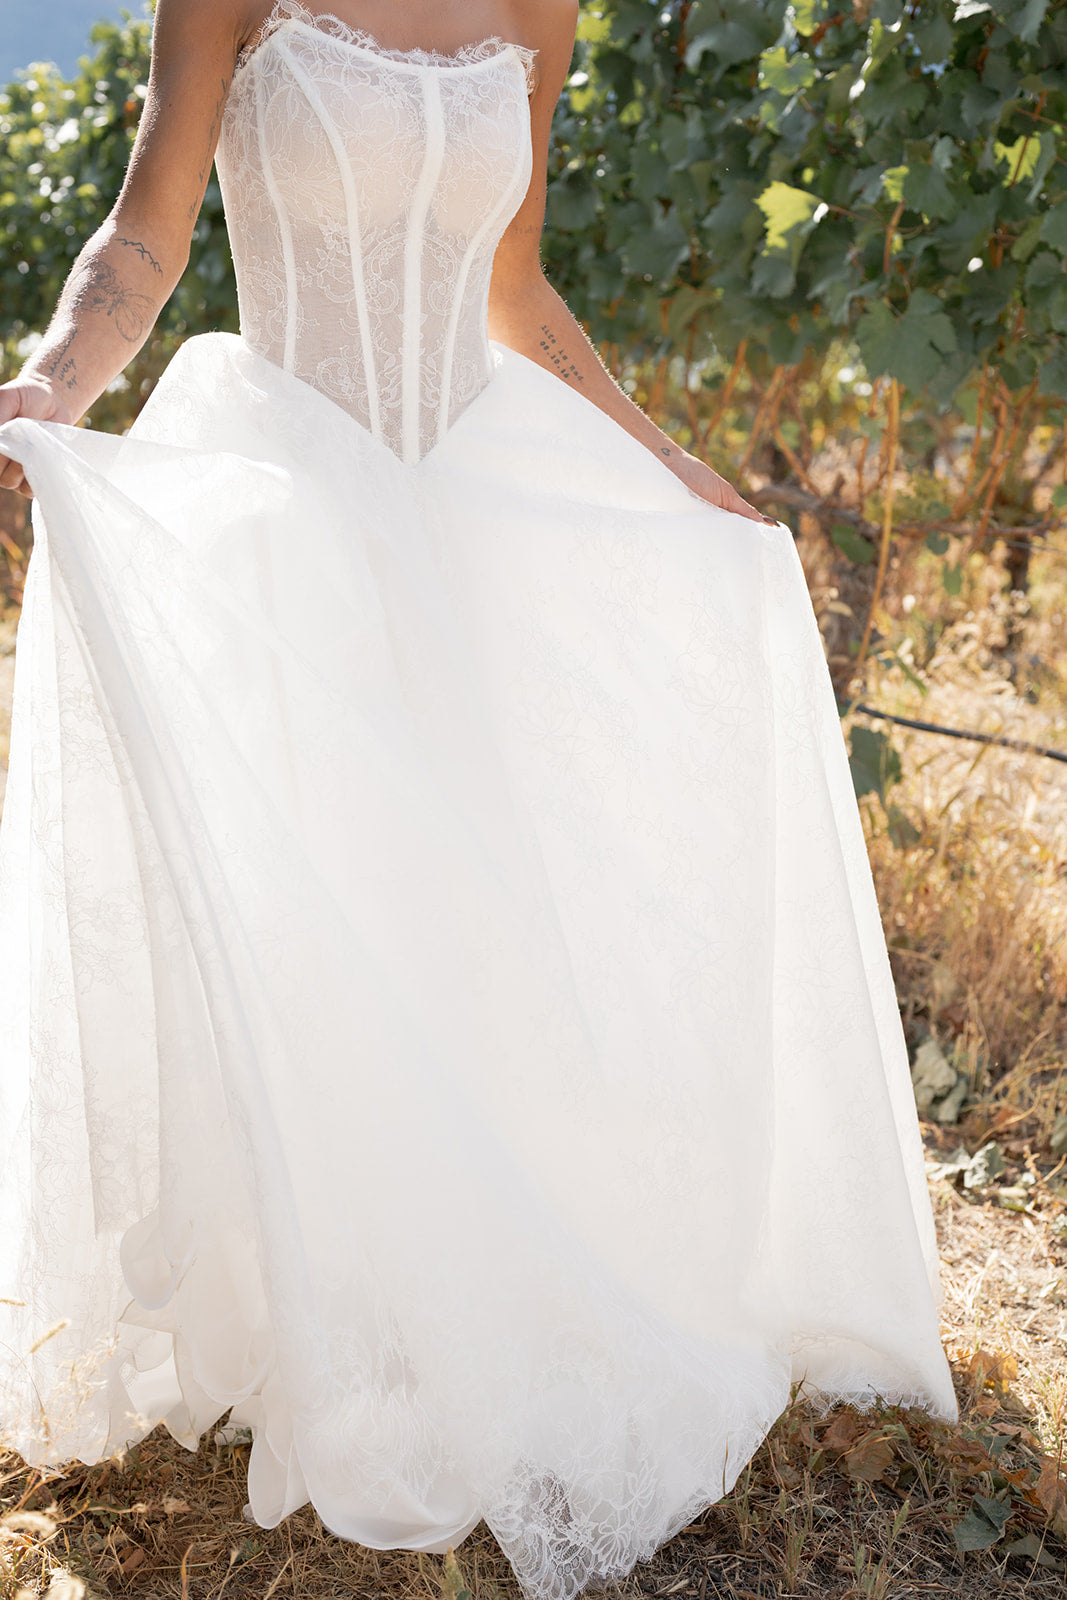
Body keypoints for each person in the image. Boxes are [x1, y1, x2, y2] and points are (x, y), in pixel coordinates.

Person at [0, 3, 957, 1597]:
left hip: (473, 524)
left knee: (478, 937)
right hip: (287, 507)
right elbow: (144, 241)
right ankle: (332, 1317)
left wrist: (672, 467)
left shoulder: (539, 11)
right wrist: (50, 382)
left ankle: (464, 1301)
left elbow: (514, 297)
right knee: (322, 928)